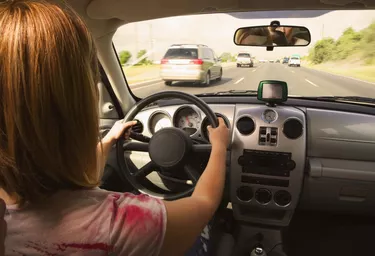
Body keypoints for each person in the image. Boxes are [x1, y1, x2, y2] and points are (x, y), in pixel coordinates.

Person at [0, 0, 229, 255]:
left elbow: (65, 175)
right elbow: (203, 202)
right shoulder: (122, 222)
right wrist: (219, 146)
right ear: (79, 107)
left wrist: (108, 141)